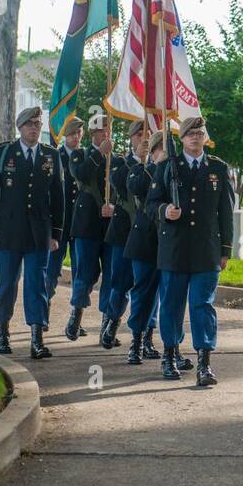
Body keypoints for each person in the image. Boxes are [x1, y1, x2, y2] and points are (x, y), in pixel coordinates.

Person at [145, 116, 233, 385]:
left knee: (202, 305)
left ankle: (204, 364)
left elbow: (225, 212)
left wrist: (225, 249)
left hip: (206, 250)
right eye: (190, 133)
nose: (195, 137)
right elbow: (151, 204)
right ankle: (169, 356)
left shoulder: (217, 167)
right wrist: (165, 211)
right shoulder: (167, 167)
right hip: (175, 249)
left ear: (205, 136)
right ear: (181, 138)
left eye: (200, 132)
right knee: (171, 305)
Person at [0, 107, 63, 359]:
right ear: (20, 127)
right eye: (29, 124)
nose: (34, 128)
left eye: (38, 124)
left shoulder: (50, 155)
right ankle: (2, 333)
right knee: (6, 284)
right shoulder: (3, 153)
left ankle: (37, 339)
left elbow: (58, 197)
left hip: (39, 233)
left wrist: (56, 233)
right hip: (9, 232)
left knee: (37, 286)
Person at [121, 129, 180, 367]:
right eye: (162, 149)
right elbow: (136, 188)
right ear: (154, 151)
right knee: (143, 293)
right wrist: (157, 165)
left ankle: (158, 342)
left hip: (169, 243)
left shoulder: (176, 172)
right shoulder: (141, 171)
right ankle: (135, 342)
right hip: (144, 242)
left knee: (168, 296)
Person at [64, 117, 121, 341]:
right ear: (92, 134)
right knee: (85, 274)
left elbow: (123, 190)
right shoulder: (80, 155)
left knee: (111, 275)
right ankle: (76, 315)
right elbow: (81, 174)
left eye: (108, 130)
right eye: (101, 130)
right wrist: (99, 154)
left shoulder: (117, 161)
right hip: (86, 225)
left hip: (111, 227)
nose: (105, 134)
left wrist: (114, 206)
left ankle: (106, 325)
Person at [99, 119, 147, 350]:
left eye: (147, 136)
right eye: (139, 136)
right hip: (123, 233)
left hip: (149, 235)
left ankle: (145, 336)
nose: (143, 140)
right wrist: (137, 159)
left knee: (148, 286)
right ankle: (112, 321)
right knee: (120, 282)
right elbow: (118, 182)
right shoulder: (120, 163)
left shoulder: (159, 164)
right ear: (131, 138)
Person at [46, 116, 83, 310]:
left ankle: (75, 315)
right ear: (65, 135)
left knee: (80, 270)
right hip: (59, 223)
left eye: (79, 133)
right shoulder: (55, 157)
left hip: (80, 224)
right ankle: (43, 307)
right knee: (52, 269)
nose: (76, 137)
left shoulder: (85, 157)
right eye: (72, 134)